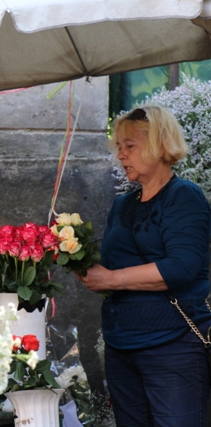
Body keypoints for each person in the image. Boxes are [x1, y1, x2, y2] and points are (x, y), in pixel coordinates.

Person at [78, 105, 211, 426]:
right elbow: (106, 268)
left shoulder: (184, 197)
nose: (121, 156)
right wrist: (68, 251)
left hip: (173, 344)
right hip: (120, 343)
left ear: (161, 145)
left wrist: (111, 279)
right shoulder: (123, 203)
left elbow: (180, 268)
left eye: (130, 147)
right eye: (119, 148)